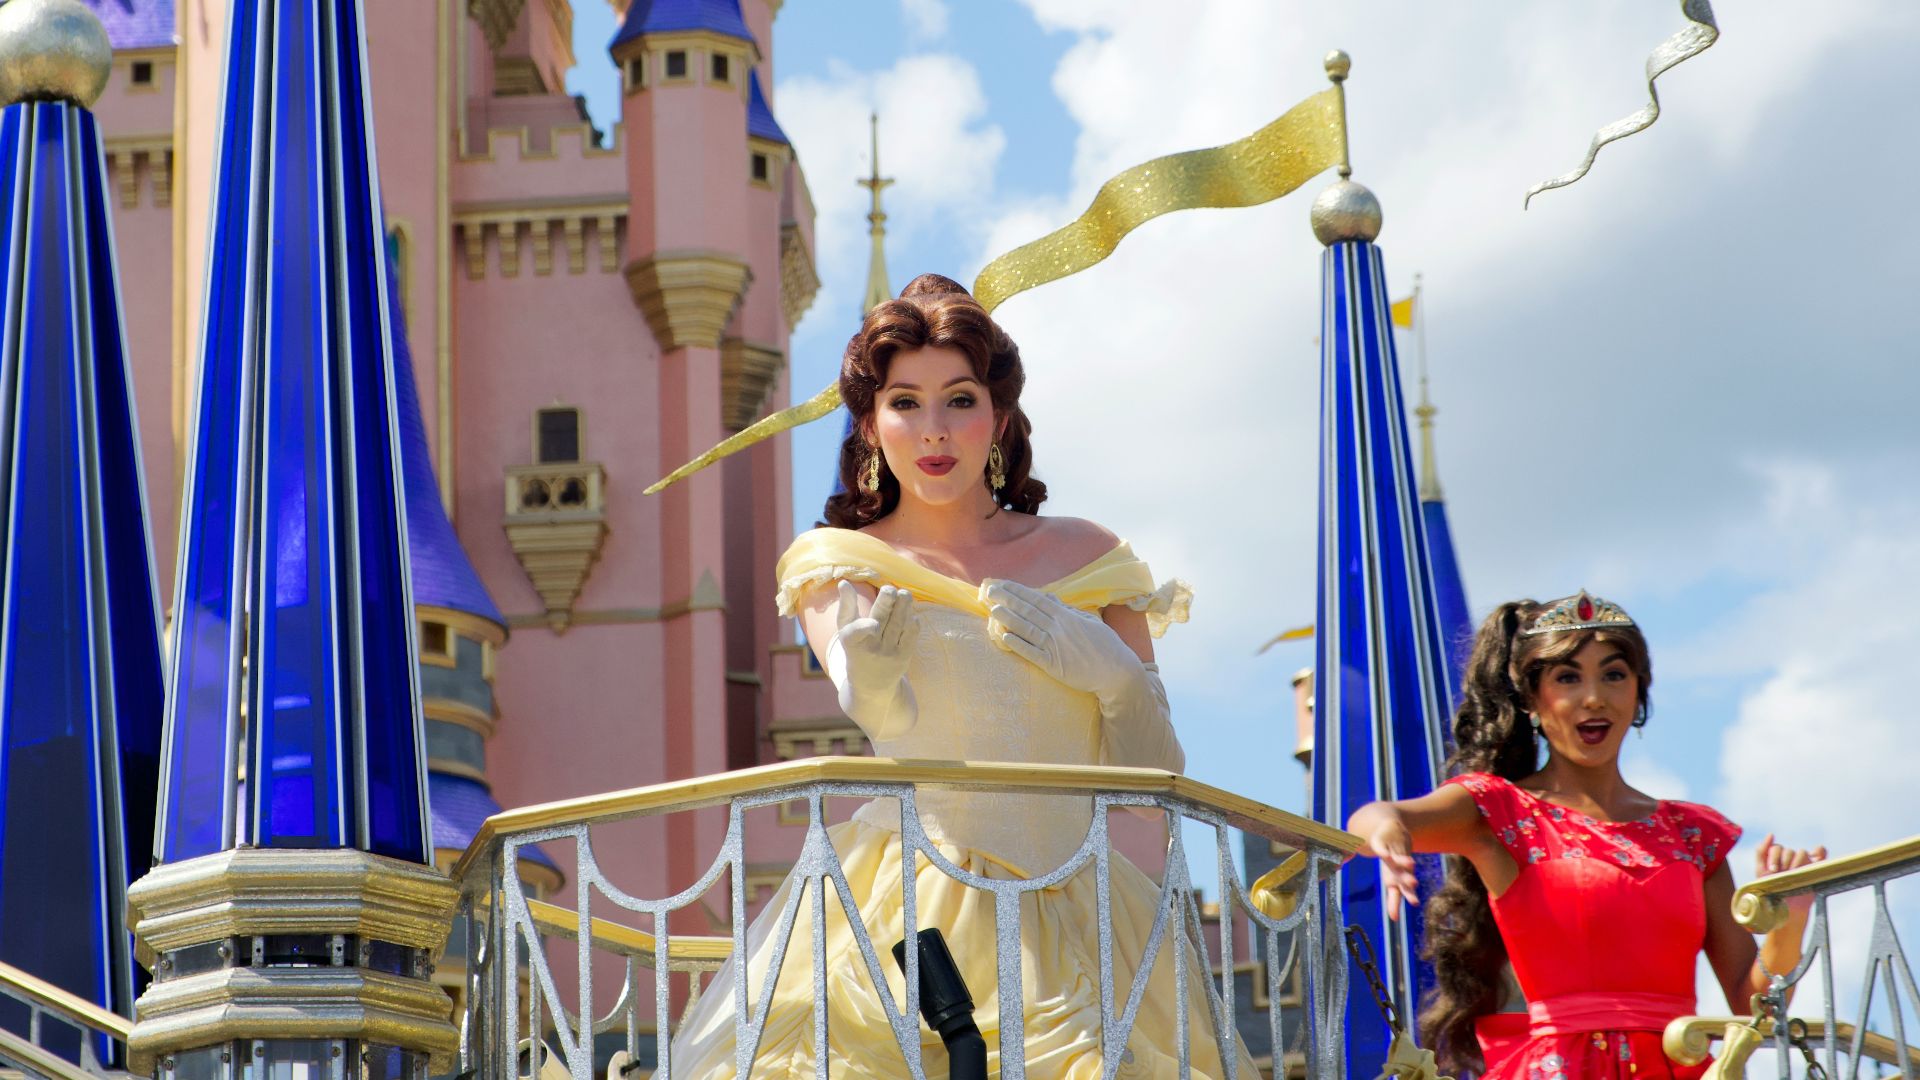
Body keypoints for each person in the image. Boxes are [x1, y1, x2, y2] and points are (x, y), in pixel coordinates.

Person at [659, 274, 1252, 1079]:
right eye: (905, 402)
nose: (934, 431)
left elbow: (1157, 775)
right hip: (907, 902)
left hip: (1081, 908)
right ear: (870, 424)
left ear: (999, 416)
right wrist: (867, 680)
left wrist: (1115, 678)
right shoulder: (838, 564)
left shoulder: (1091, 558)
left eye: (960, 400)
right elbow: (887, 723)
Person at [1347, 593, 1825, 1078]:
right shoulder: (1502, 810)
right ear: (1532, 700)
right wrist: (1386, 832)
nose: (1594, 696)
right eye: (1568, 677)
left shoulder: (1694, 834)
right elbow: (1377, 816)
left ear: (1639, 692)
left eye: (1614, 674)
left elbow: (1753, 1008)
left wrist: (1790, 923)